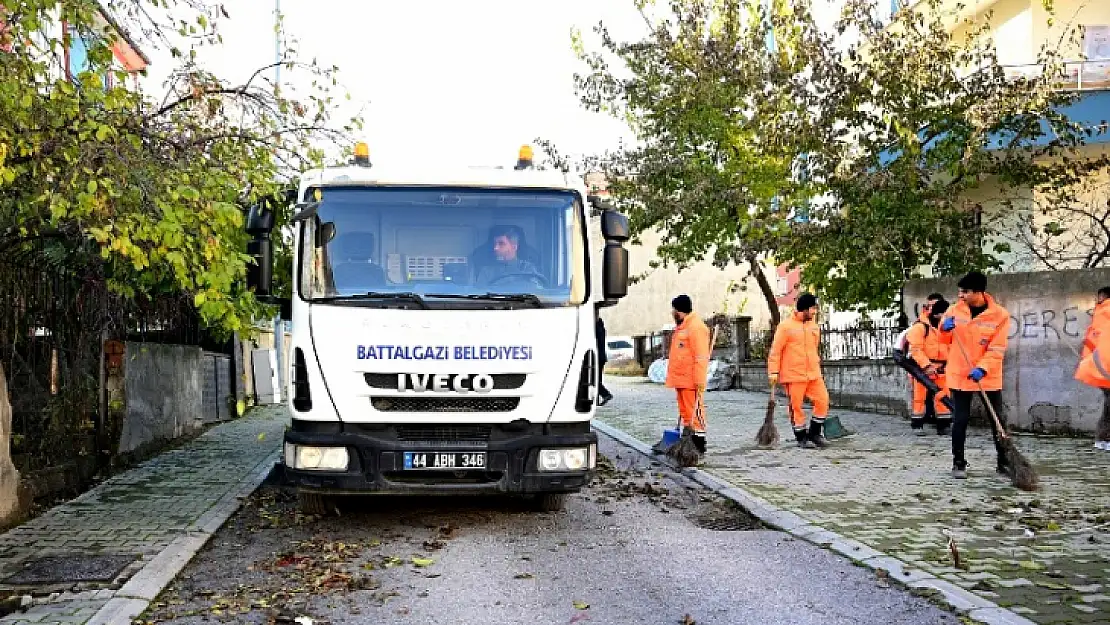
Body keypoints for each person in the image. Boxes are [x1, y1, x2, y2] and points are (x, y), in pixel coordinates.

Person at [939, 271, 1011, 480]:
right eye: (960, 291)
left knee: (996, 419)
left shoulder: (1000, 315)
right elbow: (943, 340)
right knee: (960, 420)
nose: (960, 295)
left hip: (987, 376)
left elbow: (997, 347)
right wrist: (944, 328)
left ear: (979, 292)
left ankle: (1004, 463)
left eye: (965, 292)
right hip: (959, 375)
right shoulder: (953, 311)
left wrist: (983, 367)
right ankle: (958, 463)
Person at [768, 293, 830, 449]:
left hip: (813, 373)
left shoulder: (814, 326)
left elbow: (814, 348)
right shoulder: (785, 327)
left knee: (823, 400)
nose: (815, 311)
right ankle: (801, 437)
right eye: (813, 308)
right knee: (796, 407)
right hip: (793, 375)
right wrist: (773, 372)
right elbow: (775, 351)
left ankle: (815, 433)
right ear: (804, 309)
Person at [664, 294, 710, 454]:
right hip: (680, 380)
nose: (672, 312)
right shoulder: (682, 327)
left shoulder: (696, 328)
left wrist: (699, 380)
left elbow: (701, 356)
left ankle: (699, 443)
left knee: (695, 413)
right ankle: (688, 442)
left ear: (679, 310)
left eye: (674, 309)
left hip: (691, 380)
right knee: (686, 413)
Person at [906, 296, 953, 436]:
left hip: (942, 368)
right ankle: (917, 425)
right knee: (919, 397)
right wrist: (926, 366)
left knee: (943, 397)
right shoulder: (920, 327)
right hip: (923, 368)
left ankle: (943, 426)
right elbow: (915, 349)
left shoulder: (945, 327)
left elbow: (951, 346)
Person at [1075, 286, 1110, 449]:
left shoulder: (1103, 311)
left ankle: (1103, 439)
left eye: (1099, 296)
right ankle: (1104, 439)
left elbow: (1093, 339)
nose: (1097, 300)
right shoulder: (1103, 312)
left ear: (1103, 296)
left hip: (1102, 366)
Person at [475, 226, 543, 286]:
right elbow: (479, 295)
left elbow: (535, 291)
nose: (495, 248)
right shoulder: (486, 271)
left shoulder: (528, 269)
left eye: (501, 243)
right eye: (495, 244)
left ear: (514, 246)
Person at [596, 312, 614, 406]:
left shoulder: (596, 328)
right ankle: (597, 400)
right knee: (597, 379)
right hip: (601, 357)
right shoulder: (601, 328)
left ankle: (605, 394)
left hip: (597, 357)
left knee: (593, 379)